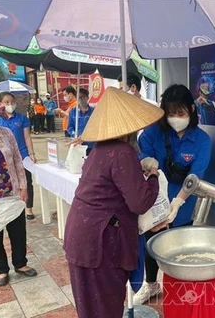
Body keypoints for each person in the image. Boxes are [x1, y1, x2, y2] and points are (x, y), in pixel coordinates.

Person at [63, 87, 164, 318]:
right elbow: (140, 203)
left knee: (89, 305)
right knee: (106, 306)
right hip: (101, 242)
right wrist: (154, 177)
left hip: (80, 236)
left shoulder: (98, 150)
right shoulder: (122, 152)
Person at [135, 84, 212, 304]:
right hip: (154, 200)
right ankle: (150, 285)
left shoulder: (202, 141)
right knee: (151, 243)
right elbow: (143, 152)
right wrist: (145, 162)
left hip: (183, 201)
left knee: (179, 247)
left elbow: (195, 176)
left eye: (180, 113)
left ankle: (179, 292)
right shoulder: (153, 133)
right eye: (170, 113)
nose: (175, 117)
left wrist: (178, 202)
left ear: (192, 110)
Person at [0, 89, 37, 287]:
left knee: (18, 232)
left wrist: (23, 187)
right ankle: (1, 269)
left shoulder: (6, 133)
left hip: (11, 193)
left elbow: (18, 161)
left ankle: (20, 263)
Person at [0, 92, 38, 220]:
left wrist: (31, 153)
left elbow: (27, 136)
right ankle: (11, 208)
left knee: (26, 182)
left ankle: (29, 209)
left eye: (12, 102)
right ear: (0, 104)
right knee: (8, 183)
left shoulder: (22, 118)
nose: (10, 105)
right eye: (6, 102)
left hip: (22, 155)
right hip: (4, 157)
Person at [66, 88, 95, 156]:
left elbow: (96, 127)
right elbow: (70, 127)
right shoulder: (73, 112)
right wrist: (74, 135)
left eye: (83, 97)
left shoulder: (94, 111)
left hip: (91, 145)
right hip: (78, 144)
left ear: (87, 97)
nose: (81, 99)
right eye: (78, 97)